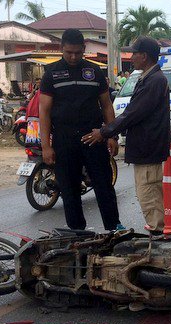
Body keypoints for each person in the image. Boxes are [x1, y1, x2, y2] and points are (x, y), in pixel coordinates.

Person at [82, 36, 169, 235]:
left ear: (144, 56)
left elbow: (133, 114)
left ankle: (158, 238)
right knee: (148, 193)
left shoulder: (154, 80)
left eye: (134, 53)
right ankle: (157, 234)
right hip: (146, 147)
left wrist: (104, 132)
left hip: (149, 147)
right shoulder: (147, 78)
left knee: (148, 194)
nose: (131, 57)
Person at [39, 29, 122, 231]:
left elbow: (106, 105)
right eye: (69, 52)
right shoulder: (51, 74)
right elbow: (45, 111)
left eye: (78, 52)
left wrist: (111, 135)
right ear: (61, 49)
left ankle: (114, 227)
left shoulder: (94, 72)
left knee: (104, 185)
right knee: (69, 190)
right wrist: (46, 146)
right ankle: (78, 233)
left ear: (84, 49)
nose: (74, 57)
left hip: (93, 138)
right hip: (64, 140)